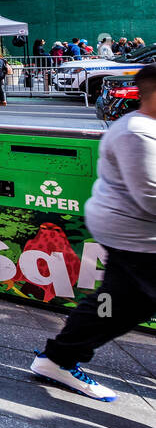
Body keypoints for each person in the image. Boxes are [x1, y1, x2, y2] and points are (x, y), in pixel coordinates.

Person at [30, 64, 156, 401]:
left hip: (136, 234)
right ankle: (58, 358)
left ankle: (58, 357)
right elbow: (151, 197)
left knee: (119, 303)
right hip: (133, 234)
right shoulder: (138, 133)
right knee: (116, 304)